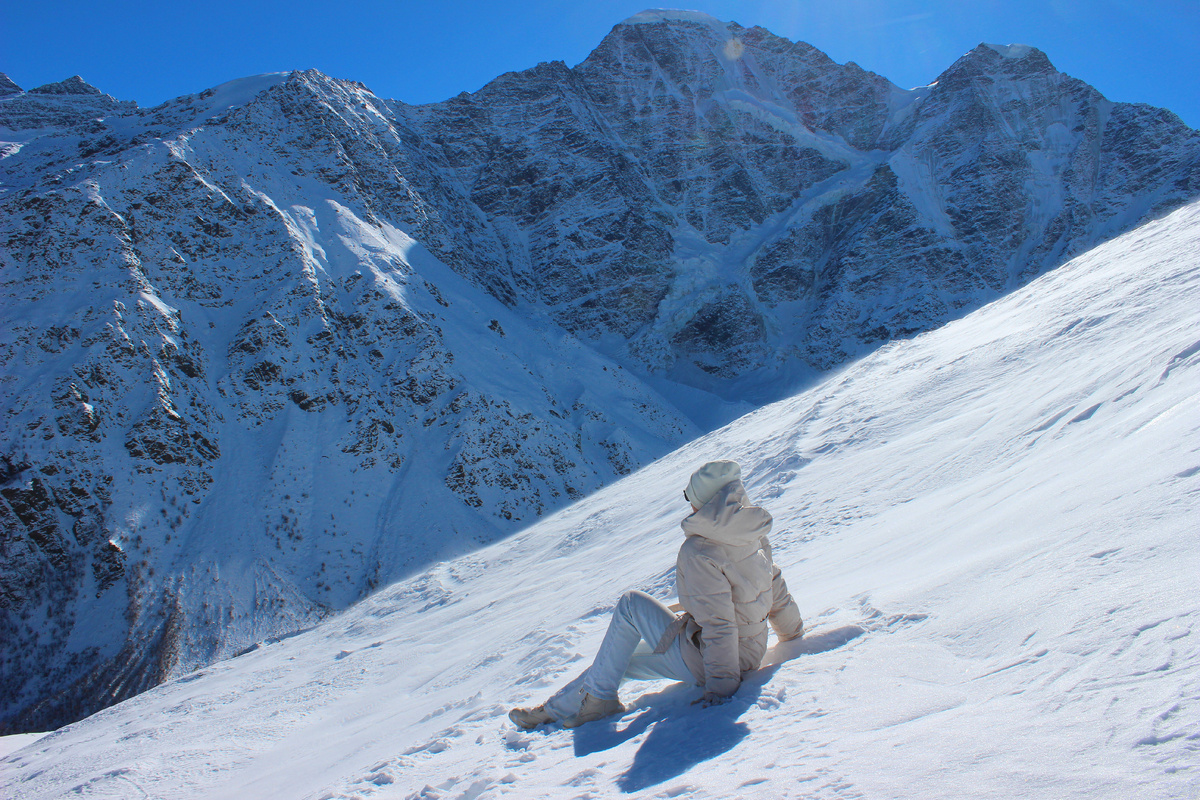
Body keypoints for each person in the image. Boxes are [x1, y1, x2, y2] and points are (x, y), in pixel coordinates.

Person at [509, 460, 804, 729]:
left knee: (631, 604)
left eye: (692, 499)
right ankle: (550, 712)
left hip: (715, 661)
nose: (690, 506)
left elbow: (720, 625)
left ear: (706, 501)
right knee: (616, 662)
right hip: (748, 651)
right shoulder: (752, 533)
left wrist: (720, 690)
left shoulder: (700, 550)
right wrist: (794, 633)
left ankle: (594, 703)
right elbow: (774, 585)